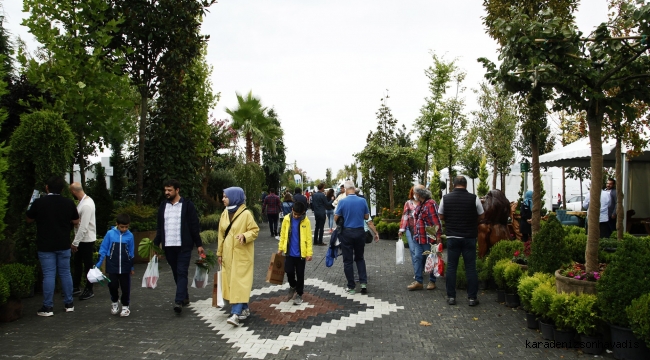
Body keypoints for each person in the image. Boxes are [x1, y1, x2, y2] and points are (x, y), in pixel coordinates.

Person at [26, 176, 80, 316]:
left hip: (45, 244)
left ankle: (48, 307)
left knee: (49, 274)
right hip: (63, 243)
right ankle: (69, 304)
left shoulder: (39, 202)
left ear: (46, 187)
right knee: (65, 273)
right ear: (62, 189)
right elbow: (75, 221)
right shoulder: (68, 203)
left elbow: (29, 219)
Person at [153, 179, 204, 314]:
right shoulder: (163, 206)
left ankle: (178, 300)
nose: (167, 192)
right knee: (176, 272)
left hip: (184, 246)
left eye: (170, 190)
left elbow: (194, 226)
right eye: (165, 190)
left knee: (182, 271)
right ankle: (185, 296)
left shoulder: (187, 205)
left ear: (177, 190)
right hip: (168, 246)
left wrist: (198, 244)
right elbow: (159, 228)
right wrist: (155, 245)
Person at [438, 176, 485, 306]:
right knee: (470, 267)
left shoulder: (445, 198)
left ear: (454, 185)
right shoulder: (474, 198)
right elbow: (482, 215)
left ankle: (451, 297)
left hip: (453, 237)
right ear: (466, 185)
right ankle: (472, 298)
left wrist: (450, 219)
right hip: (469, 237)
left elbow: (440, 215)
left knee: (452, 266)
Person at [217, 187, 260, 327]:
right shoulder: (224, 213)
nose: (223, 199)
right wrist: (219, 253)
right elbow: (221, 235)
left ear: (234, 197)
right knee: (233, 282)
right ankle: (245, 308)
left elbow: (254, 230)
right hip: (228, 255)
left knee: (239, 282)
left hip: (242, 254)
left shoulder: (246, 214)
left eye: (225, 196)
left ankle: (235, 314)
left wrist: (245, 236)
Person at [334, 181, 378, 294]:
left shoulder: (342, 201)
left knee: (348, 260)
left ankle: (351, 287)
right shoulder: (362, 201)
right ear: (354, 188)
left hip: (347, 233)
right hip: (360, 232)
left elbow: (336, 218)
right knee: (360, 258)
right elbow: (366, 216)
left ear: (346, 189)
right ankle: (363, 283)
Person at [400, 185, 441, 291]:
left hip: (428, 238)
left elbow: (436, 222)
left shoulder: (431, 204)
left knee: (430, 259)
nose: (414, 195)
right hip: (418, 237)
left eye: (415, 193)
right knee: (418, 257)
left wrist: (438, 237)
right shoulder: (421, 204)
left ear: (419, 194)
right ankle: (419, 281)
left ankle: (432, 281)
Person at [96, 214, 134, 317]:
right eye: (122, 227)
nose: (124, 229)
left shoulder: (130, 235)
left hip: (125, 265)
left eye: (126, 227)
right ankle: (114, 302)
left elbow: (131, 252)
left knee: (125, 287)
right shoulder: (110, 234)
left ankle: (125, 306)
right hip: (112, 264)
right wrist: (98, 264)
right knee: (112, 285)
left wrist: (131, 267)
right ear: (117, 224)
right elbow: (103, 248)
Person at [277, 201, 313, 305]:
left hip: (301, 254)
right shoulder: (287, 219)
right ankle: (293, 286)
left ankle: (299, 294)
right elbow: (283, 235)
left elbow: (309, 238)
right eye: (295, 214)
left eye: (299, 214)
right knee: (289, 271)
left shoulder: (306, 221)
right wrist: (280, 248)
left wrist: (309, 253)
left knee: (300, 274)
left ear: (303, 213)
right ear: (292, 210)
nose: (296, 216)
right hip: (289, 252)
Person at [69, 182, 97, 301]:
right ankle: (75, 286)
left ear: (74, 192)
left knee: (87, 264)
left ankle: (89, 288)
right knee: (78, 263)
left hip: (86, 239)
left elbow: (83, 226)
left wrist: (75, 242)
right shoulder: (84, 202)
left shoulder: (86, 205)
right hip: (82, 238)